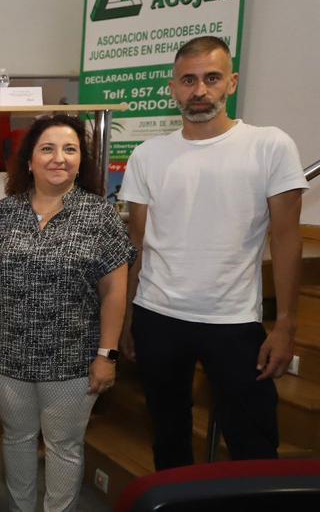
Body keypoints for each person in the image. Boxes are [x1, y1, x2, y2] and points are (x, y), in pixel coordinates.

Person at [119, 36, 308, 470]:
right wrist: (130, 318)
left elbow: (286, 240)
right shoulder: (149, 155)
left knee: (253, 444)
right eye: (188, 80)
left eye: (211, 78)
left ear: (232, 83)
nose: (199, 91)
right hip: (157, 316)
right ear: (173, 87)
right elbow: (138, 244)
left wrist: (286, 325)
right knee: (168, 439)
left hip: (234, 322)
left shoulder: (269, 145)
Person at [0, 114, 133, 512]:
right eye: (48, 148)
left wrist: (107, 355)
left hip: (73, 359)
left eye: (70, 149)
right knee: (17, 438)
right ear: (29, 161)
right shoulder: (2, 214)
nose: (59, 158)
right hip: (5, 354)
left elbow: (114, 291)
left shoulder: (100, 215)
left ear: (81, 161)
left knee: (64, 447)